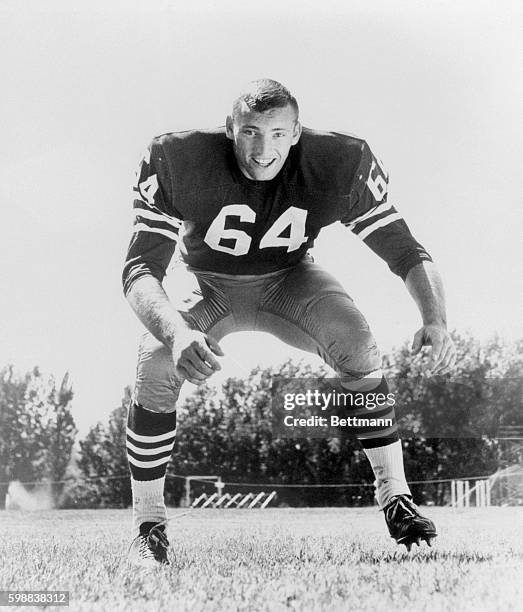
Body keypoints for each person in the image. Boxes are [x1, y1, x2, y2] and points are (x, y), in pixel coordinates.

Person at [123, 79, 456, 567]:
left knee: (358, 343)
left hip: (289, 281)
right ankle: (148, 527)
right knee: (154, 363)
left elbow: (405, 249)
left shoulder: (340, 161)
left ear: (297, 132)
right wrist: (177, 334)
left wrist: (436, 319)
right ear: (230, 129)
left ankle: (396, 498)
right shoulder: (178, 158)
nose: (263, 149)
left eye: (278, 134)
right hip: (208, 284)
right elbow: (139, 269)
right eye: (251, 132)